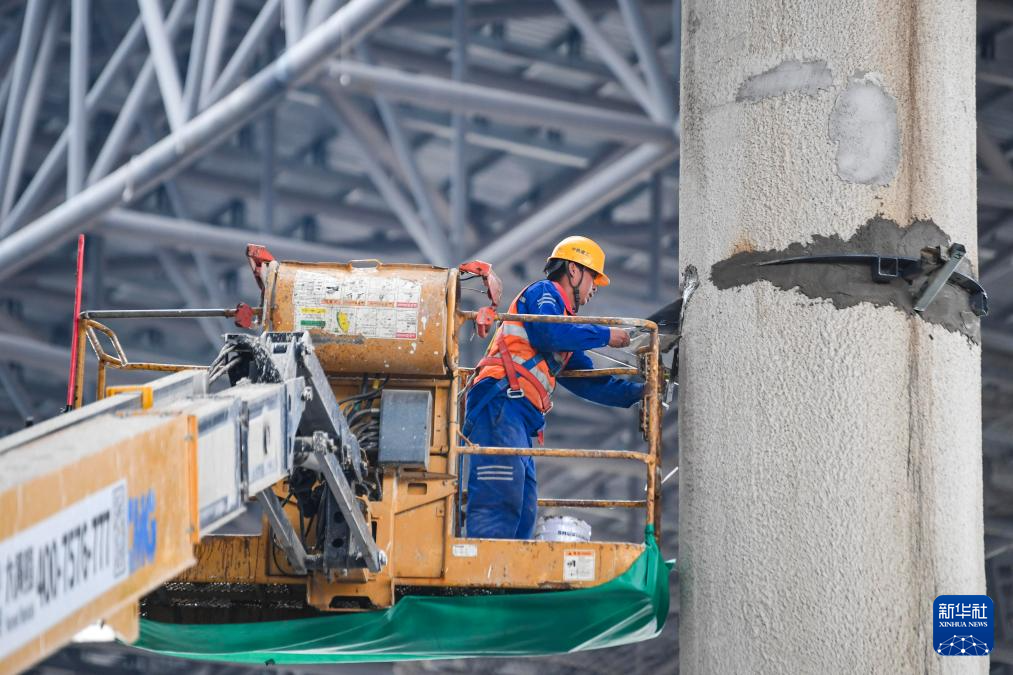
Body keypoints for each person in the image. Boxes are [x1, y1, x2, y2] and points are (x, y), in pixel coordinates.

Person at [462, 236, 644, 539]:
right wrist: (605, 334)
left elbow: (588, 382)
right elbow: (549, 332)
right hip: (500, 401)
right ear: (573, 271)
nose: (594, 288)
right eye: (593, 278)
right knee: (501, 496)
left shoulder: (566, 333)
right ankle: (484, 579)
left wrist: (639, 392)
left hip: (515, 414)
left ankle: (506, 580)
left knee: (524, 507)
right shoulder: (544, 293)